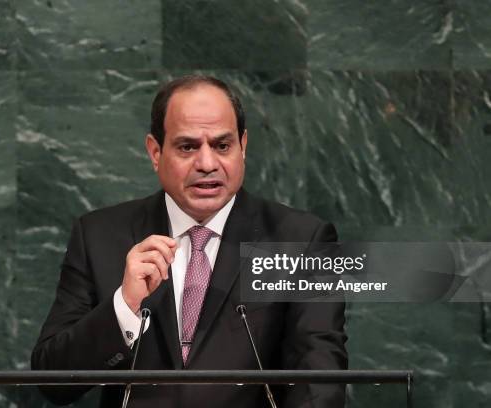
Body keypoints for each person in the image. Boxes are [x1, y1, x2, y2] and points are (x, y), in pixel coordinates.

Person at [31, 75, 348, 407]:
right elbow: (52, 380)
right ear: (155, 152)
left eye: (222, 146)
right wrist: (124, 307)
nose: (207, 164)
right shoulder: (99, 236)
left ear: (243, 147)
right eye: (187, 147)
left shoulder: (300, 240)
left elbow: (319, 374)